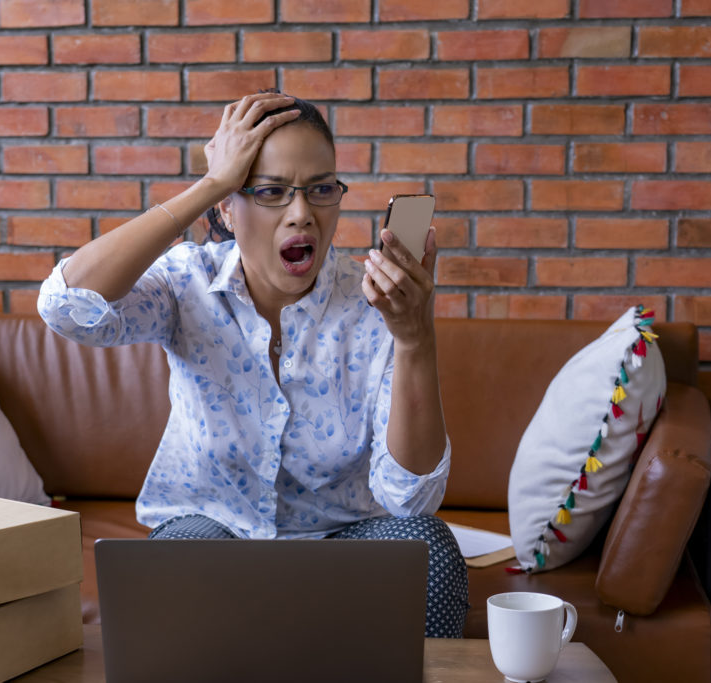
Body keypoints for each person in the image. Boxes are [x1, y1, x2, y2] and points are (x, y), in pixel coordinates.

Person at [38, 91, 468, 638]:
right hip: (215, 530)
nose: (301, 214)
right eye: (269, 192)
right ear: (227, 208)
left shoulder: (376, 304)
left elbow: (410, 499)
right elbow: (65, 308)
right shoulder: (185, 281)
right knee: (174, 561)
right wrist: (211, 182)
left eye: (321, 190)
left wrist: (415, 339)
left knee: (428, 548)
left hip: (343, 542)